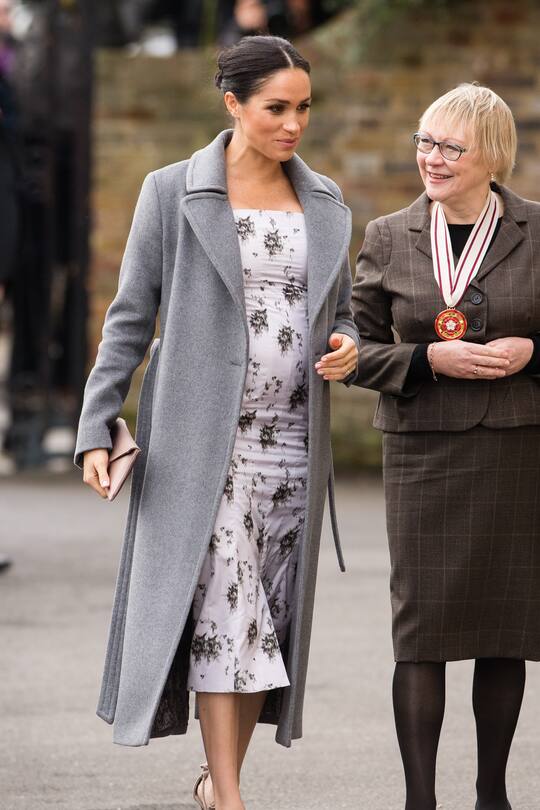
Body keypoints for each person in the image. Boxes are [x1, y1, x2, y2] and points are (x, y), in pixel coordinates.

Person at [75, 35, 358, 810]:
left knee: (260, 622)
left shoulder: (325, 200)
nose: (294, 124)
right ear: (232, 103)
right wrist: (96, 424)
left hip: (294, 443)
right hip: (205, 448)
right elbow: (128, 318)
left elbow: (344, 312)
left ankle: (216, 782)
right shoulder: (172, 192)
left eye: (304, 108)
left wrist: (347, 345)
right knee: (228, 613)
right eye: (276, 108)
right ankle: (229, 796)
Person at [352, 83, 540, 810]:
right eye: (425, 142)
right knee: (421, 631)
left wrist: (533, 350)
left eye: (450, 147)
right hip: (422, 454)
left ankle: (493, 795)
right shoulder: (387, 235)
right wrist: (428, 359)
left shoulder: (536, 228)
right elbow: (352, 350)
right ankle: (420, 801)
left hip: (515, 451)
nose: (431, 158)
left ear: (492, 155)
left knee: (504, 627)